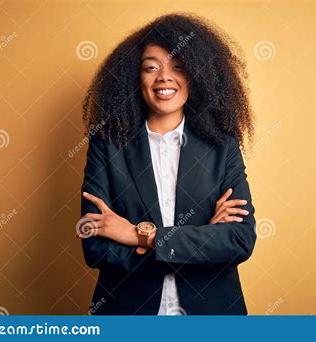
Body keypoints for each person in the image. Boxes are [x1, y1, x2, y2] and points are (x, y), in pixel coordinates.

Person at [78, 12, 256, 315]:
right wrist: (201, 241)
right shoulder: (107, 145)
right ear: (135, 77)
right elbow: (94, 244)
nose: (164, 77)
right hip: (127, 313)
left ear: (197, 74)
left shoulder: (221, 145)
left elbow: (239, 240)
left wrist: (140, 235)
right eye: (151, 67)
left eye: (178, 66)